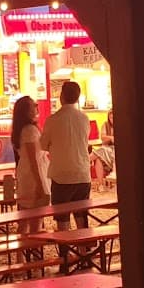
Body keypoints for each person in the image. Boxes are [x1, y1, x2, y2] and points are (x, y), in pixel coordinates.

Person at [44, 81, 92, 227]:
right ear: (78, 98)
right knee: (82, 217)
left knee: (62, 219)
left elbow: (43, 145)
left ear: (61, 97)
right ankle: (84, 249)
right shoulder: (84, 119)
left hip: (61, 176)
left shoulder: (52, 120)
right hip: (83, 174)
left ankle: (65, 250)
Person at [11, 96, 50, 231]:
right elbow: (33, 159)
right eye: (33, 105)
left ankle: (22, 251)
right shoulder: (30, 130)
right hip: (33, 175)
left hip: (26, 172)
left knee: (25, 218)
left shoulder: (21, 129)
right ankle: (32, 249)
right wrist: (40, 184)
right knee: (35, 217)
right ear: (26, 110)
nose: (36, 107)